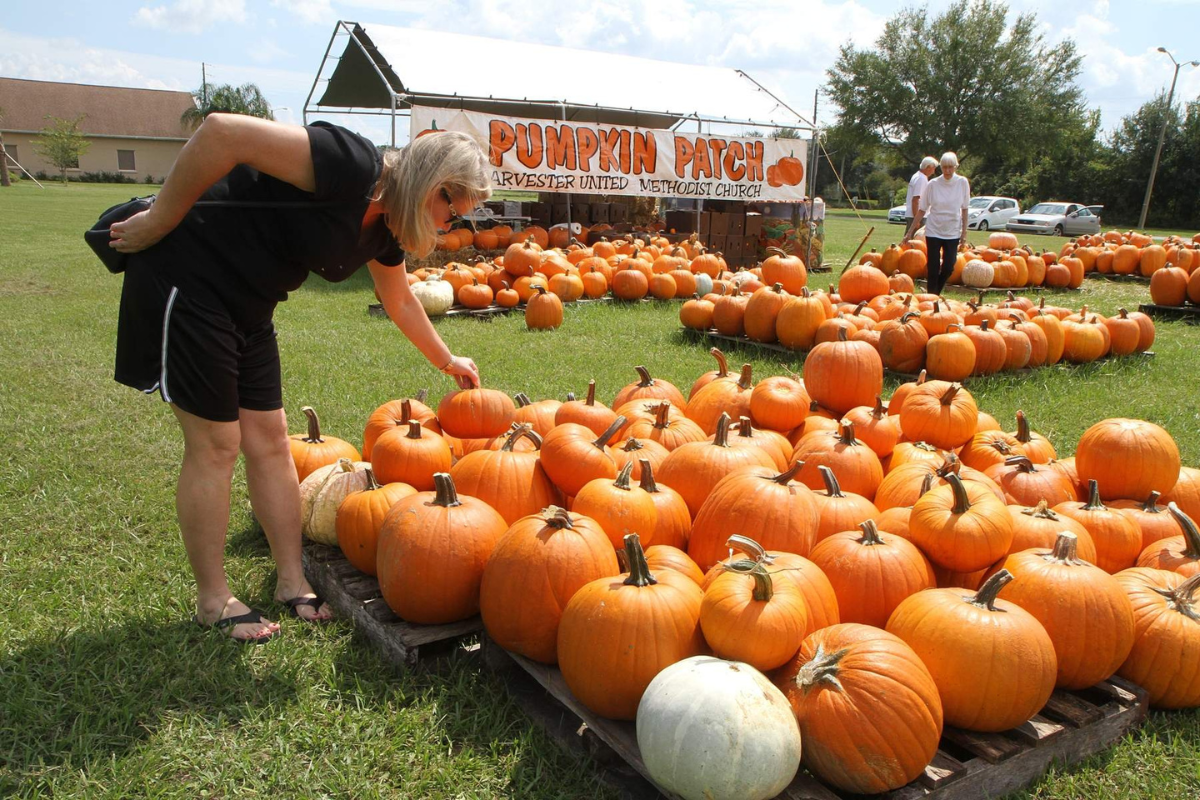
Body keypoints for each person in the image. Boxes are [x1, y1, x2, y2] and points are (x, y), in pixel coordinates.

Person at [107, 114, 490, 642]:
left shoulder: (385, 230)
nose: (450, 227)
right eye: (453, 212)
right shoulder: (349, 164)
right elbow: (222, 133)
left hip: (251, 305)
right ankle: (213, 600)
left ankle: (292, 580)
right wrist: (158, 220)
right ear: (432, 183)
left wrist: (448, 360)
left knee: (270, 439)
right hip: (190, 278)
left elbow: (398, 298)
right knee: (217, 443)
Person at [904, 152, 969, 296]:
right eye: (944, 167)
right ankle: (932, 297)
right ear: (940, 167)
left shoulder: (962, 183)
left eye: (950, 167)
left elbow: (965, 209)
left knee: (949, 266)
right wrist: (909, 233)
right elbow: (922, 209)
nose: (947, 171)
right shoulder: (933, 184)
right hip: (933, 230)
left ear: (955, 167)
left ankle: (935, 293)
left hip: (952, 231)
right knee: (933, 266)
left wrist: (964, 233)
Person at [903, 156, 937, 236]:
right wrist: (916, 219)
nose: (933, 171)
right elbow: (916, 199)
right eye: (933, 168)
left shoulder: (917, 176)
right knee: (915, 240)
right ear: (928, 167)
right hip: (917, 215)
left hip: (914, 215)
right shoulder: (921, 179)